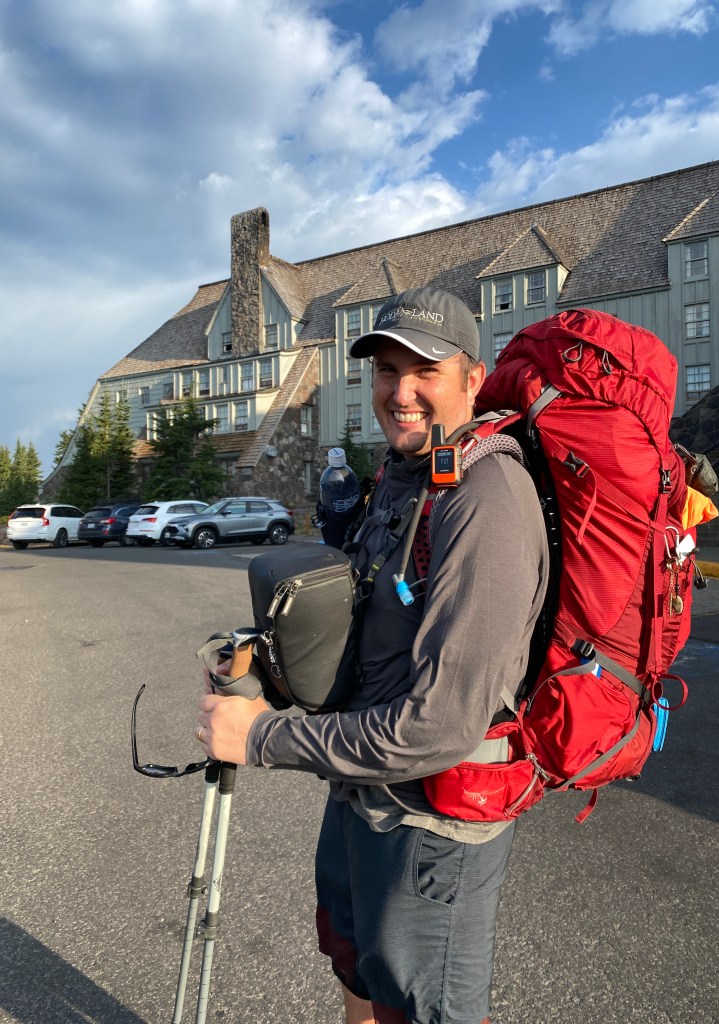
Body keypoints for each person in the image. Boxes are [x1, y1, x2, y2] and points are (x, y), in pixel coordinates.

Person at [197, 286, 549, 1024]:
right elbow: (369, 634)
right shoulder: (405, 476)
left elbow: (440, 725)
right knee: (356, 969)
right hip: (364, 793)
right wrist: (265, 672)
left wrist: (263, 738)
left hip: (433, 825)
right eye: (387, 370)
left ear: (472, 379)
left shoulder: (487, 496)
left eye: (424, 369)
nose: (401, 391)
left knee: (422, 1008)